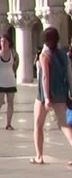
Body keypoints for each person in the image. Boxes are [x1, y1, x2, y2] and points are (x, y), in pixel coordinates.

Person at [30, 27, 72, 166]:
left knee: (38, 125)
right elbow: (69, 74)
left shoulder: (44, 55)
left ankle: (39, 156)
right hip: (61, 93)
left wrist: (47, 98)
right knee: (65, 125)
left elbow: (45, 77)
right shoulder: (63, 54)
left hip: (44, 95)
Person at [0, 35, 19, 131]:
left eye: (5, 41)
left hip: (10, 80)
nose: (3, 43)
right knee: (0, 101)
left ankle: (8, 124)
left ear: (9, 42)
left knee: (10, 102)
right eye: (1, 41)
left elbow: (16, 64)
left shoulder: (13, 53)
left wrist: (13, 73)